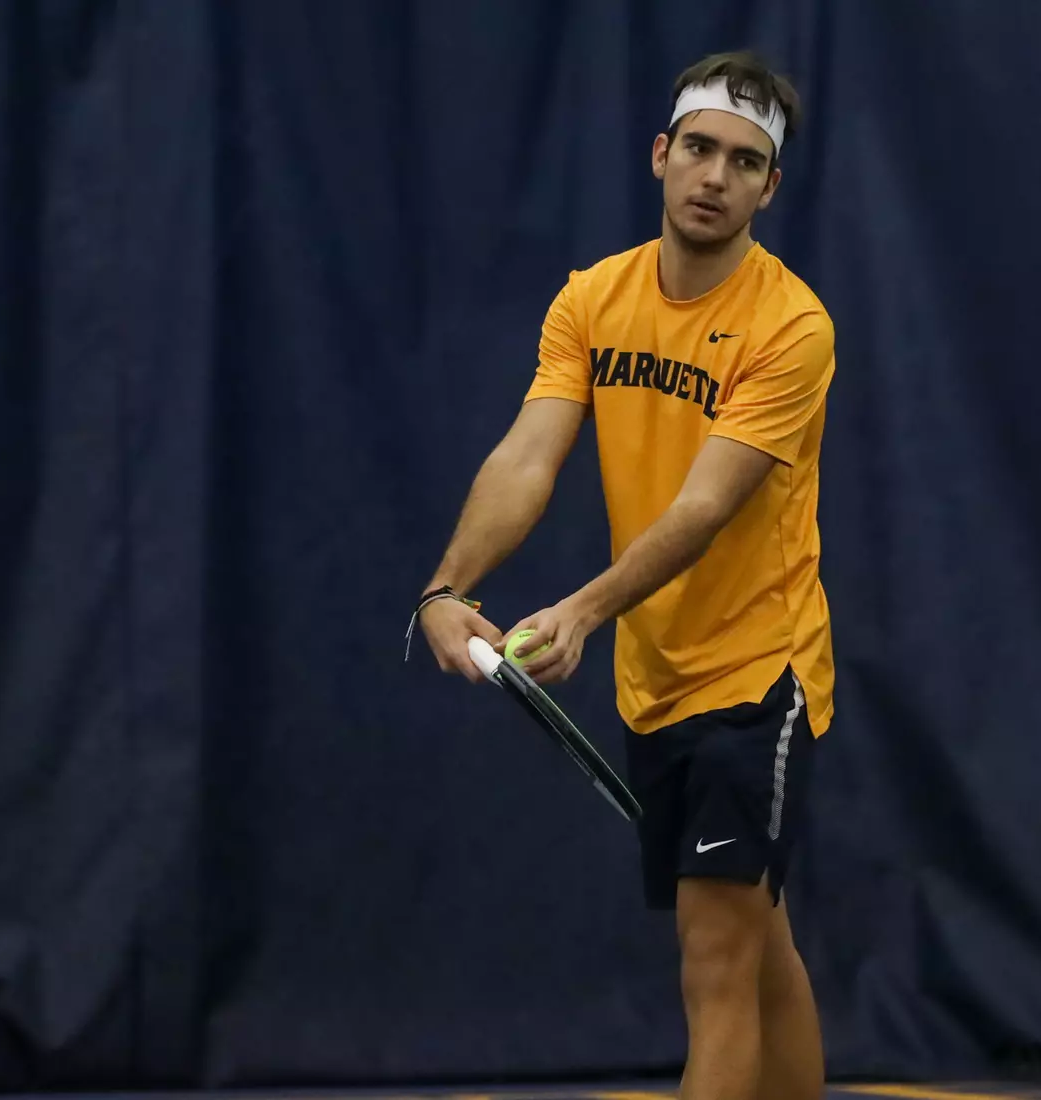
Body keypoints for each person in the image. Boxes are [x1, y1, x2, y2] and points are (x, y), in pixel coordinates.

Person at [411, 50, 834, 1100]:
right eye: (698, 147)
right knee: (757, 940)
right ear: (660, 153)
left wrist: (583, 608)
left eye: (745, 161)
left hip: (757, 675)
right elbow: (528, 455)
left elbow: (703, 505)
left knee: (717, 960)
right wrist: (445, 585)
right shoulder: (592, 300)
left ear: (768, 188)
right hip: (658, 678)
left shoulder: (792, 328)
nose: (714, 175)